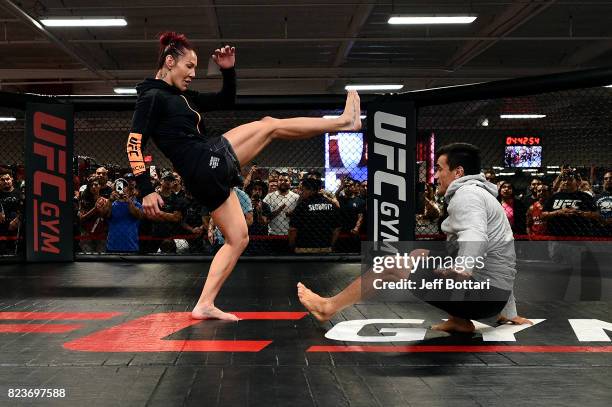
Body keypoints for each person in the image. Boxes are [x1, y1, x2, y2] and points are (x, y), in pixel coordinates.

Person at [127, 31, 361, 321]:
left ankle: (204, 303)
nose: (193, 73)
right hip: (203, 160)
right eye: (189, 66)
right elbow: (134, 143)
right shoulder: (152, 96)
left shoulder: (183, 97)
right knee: (269, 125)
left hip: (202, 177)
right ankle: (343, 122)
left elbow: (226, 100)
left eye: (196, 68)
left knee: (238, 238)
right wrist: (146, 189)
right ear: (170, 61)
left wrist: (228, 70)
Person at [297, 143, 531, 333]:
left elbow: (475, 235)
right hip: (492, 294)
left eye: (440, 168)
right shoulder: (479, 194)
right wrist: (508, 311)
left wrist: (462, 270)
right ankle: (460, 321)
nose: (436, 175)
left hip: (483, 296)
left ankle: (327, 308)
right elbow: (502, 256)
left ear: (458, 172)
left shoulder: (467, 195)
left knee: (389, 266)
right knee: (419, 254)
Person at [288, 178, 340, 253]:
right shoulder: (330, 204)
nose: (301, 193)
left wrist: (292, 246)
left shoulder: (302, 205)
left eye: (303, 190)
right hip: (325, 247)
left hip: (304, 248)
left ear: (311, 190)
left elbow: (292, 229)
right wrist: (331, 245)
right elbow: (337, 228)